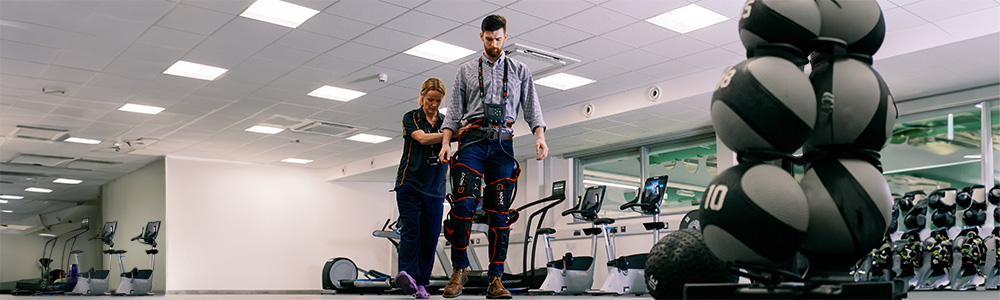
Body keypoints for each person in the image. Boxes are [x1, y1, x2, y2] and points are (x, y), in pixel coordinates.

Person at [437, 14, 548, 299]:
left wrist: (540, 137)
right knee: (463, 206)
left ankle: (495, 279)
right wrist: (446, 142)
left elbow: (531, 106)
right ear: (481, 37)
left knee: (499, 212)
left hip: (503, 143)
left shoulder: (520, 70)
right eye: (489, 39)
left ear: (506, 38)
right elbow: (454, 111)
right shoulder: (466, 70)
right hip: (472, 140)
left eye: (498, 39)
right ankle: (459, 271)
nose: (494, 44)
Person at [393, 78, 449, 299]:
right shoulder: (411, 117)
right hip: (410, 184)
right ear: (422, 96)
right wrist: (451, 134)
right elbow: (423, 139)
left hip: (435, 189)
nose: (433, 104)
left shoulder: (446, 122)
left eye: (437, 100)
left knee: (430, 236)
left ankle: (422, 283)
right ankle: (406, 274)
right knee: (412, 229)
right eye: (429, 99)